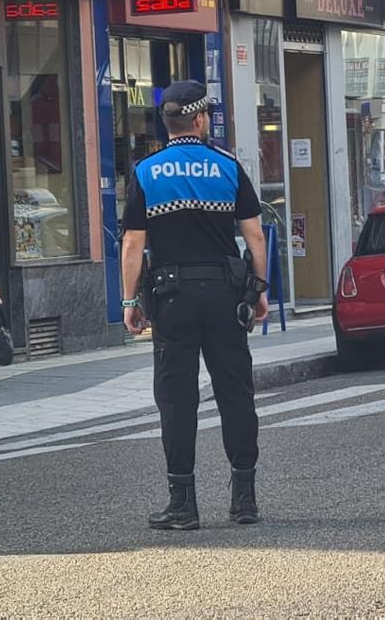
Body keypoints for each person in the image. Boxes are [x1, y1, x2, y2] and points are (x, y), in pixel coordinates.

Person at [120, 81, 269, 531]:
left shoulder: (146, 171)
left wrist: (130, 300)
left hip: (171, 297)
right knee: (235, 393)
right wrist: (258, 290)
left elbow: (132, 244)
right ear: (200, 120)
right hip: (225, 294)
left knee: (176, 399)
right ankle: (244, 500)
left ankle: (182, 505)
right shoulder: (228, 166)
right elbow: (255, 236)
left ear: (167, 124)